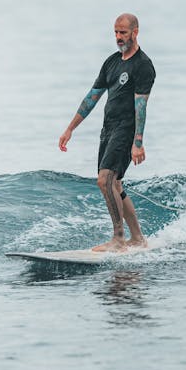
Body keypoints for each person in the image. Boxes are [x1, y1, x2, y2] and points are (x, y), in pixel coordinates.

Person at [58, 13, 156, 252]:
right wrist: (71, 128)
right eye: (115, 32)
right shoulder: (111, 62)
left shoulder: (143, 65)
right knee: (116, 185)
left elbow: (141, 106)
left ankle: (118, 239)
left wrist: (138, 143)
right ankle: (138, 238)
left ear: (135, 32)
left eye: (123, 32)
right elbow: (92, 97)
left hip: (126, 129)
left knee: (105, 180)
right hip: (108, 128)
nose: (118, 37)